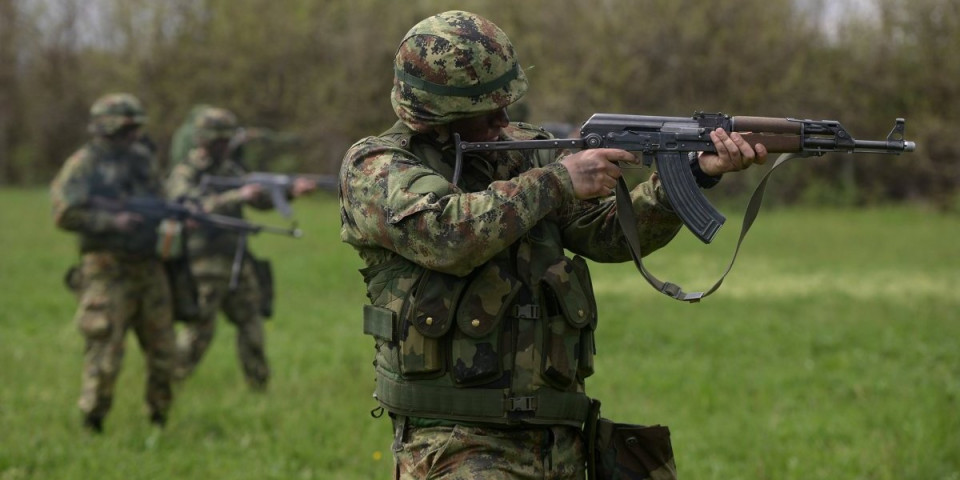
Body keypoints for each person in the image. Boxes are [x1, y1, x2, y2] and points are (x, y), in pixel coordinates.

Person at [338, 11, 768, 479]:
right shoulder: (374, 167)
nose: (504, 119)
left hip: (560, 442)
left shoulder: (529, 151)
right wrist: (559, 180)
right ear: (437, 114)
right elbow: (448, 235)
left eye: (507, 103)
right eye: (487, 109)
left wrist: (692, 175)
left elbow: (607, 233)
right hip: (454, 444)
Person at [50, 92, 176, 433]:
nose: (133, 135)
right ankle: (93, 422)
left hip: (148, 267)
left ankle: (159, 420)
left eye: (136, 128)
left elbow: (162, 199)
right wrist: (112, 222)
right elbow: (63, 213)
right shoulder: (83, 164)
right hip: (107, 271)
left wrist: (175, 218)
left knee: (165, 351)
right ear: (107, 128)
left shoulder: (142, 159)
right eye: (126, 128)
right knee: (105, 352)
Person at [165, 106, 316, 390]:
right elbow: (187, 207)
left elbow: (257, 199)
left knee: (251, 322)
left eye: (227, 140)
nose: (225, 146)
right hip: (203, 262)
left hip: (236, 258)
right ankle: (170, 381)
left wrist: (288, 192)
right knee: (200, 330)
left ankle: (259, 386)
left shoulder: (230, 169)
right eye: (219, 141)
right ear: (204, 140)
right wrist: (236, 196)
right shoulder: (185, 172)